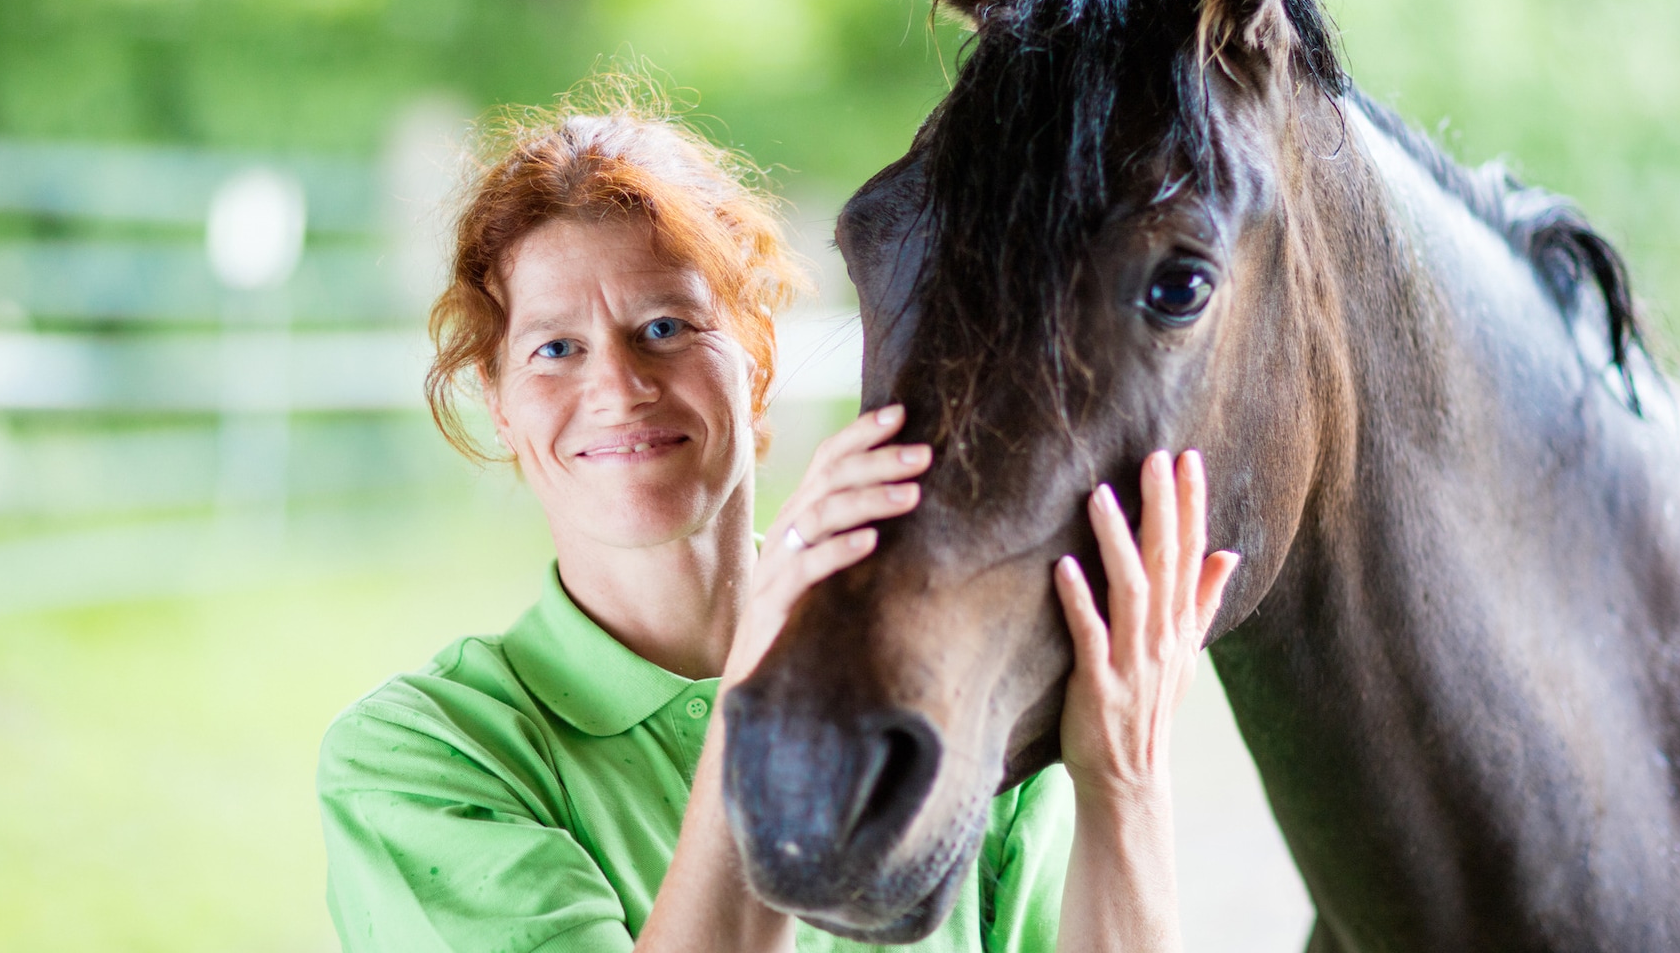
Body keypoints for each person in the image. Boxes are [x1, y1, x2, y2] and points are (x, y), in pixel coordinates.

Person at [316, 81, 1240, 953]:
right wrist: (764, 684)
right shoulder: (423, 757)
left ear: (756, 356)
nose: (619, 389)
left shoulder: (937, 687)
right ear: (501, 402)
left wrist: (1122, 779)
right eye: (556, 348)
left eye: (667, 328)